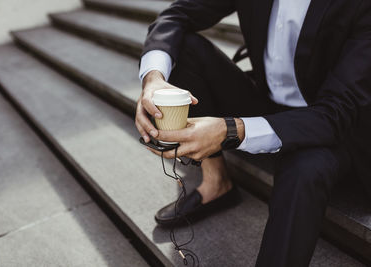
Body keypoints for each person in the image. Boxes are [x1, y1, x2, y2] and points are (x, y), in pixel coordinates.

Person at [134, 0, 371, 266]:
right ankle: (216, 182)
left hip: (332, 123)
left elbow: (336, 113)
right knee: (183, 46)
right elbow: (177, 14)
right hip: (267, 99)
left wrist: (231, 130)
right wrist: (153, 79)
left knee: (303, 171)